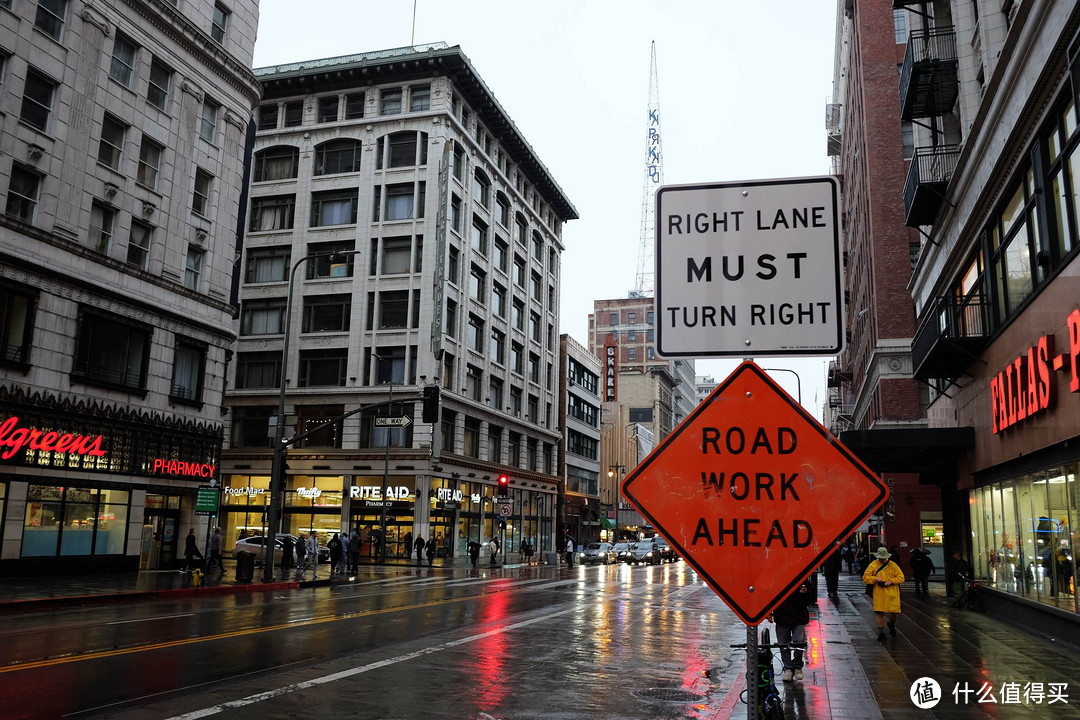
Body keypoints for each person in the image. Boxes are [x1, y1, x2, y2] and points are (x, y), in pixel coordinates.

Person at [770, 578, 813, 682]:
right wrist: (769, 612)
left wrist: (805, 593)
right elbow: (770, 594)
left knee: (799, 642)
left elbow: (811, 598)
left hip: (798, 616)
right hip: (782, 615)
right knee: (783, 644)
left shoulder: (802, 579)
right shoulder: (777, 579)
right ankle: (788, 668)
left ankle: (797, 667)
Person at [863, 546, 905, 641]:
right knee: (879, 612)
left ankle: (892, 624)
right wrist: (875, 579)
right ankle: (881, 632)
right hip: (879, 592)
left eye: (884, 558)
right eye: (881, 558)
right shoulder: (873, 565)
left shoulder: (893, 565)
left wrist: (891, 581)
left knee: (894, 612)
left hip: (892, 592)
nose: (883, 560)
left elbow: (901, 577)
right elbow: (865, 577)